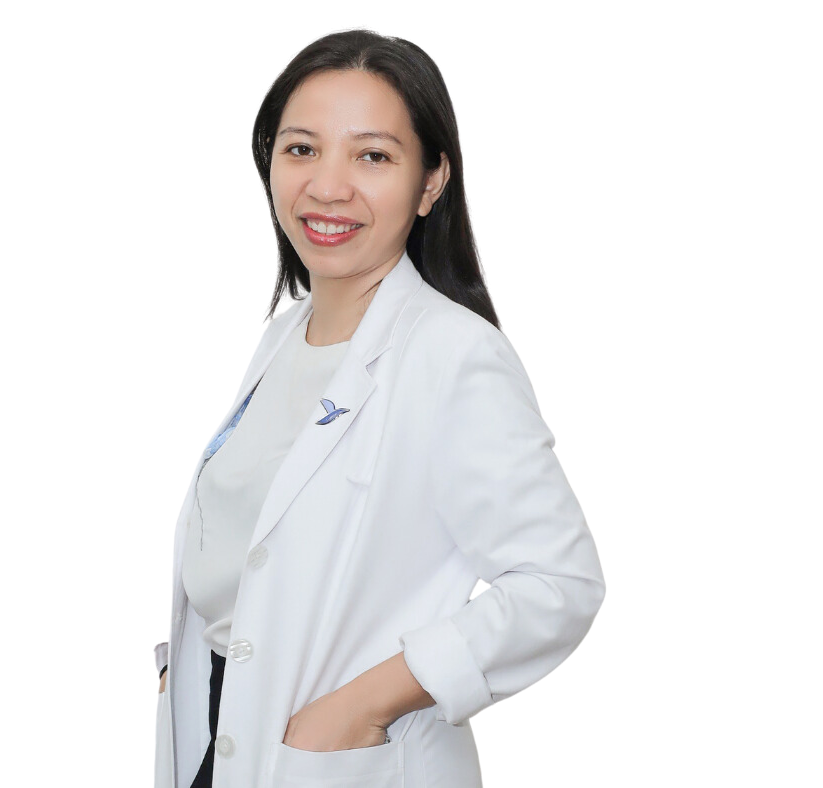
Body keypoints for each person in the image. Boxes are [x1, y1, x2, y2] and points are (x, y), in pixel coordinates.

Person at [153, 26, 606, 788]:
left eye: (373, 156)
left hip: (343, 759)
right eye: (302, 148)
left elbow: (560, 584)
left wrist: (362, 709)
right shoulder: (283, 333)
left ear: (431, 182)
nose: (328, 187)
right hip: (216, 736)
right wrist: (185, 670)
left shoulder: (454, 356)